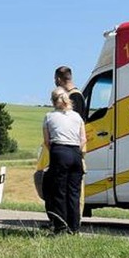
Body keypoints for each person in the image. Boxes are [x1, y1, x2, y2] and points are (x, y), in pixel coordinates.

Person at [42, 86, 86, 234]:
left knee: (59, 191)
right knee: (74, 192)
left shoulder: (49, 117)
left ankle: (60, 226)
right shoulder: (77, 117)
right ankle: (74, 228)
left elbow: (47, 142)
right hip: (76, 154)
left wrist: (55, 152)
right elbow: (83, 139)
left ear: (53, 101)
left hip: (60, 152)